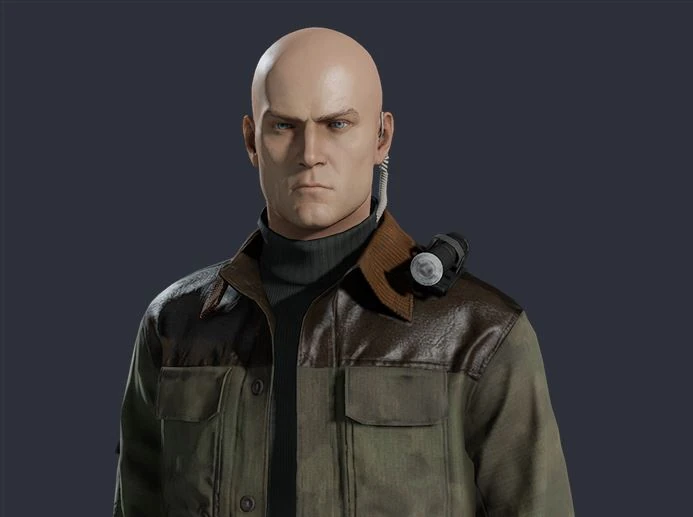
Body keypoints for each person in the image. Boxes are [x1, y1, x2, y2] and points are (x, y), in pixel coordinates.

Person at [113, 26, 575, 517]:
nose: (309, 154)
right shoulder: (175, 323)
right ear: (251, 140)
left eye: (336, 124)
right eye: (283, 126)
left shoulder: (480, 334)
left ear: (381, 137)